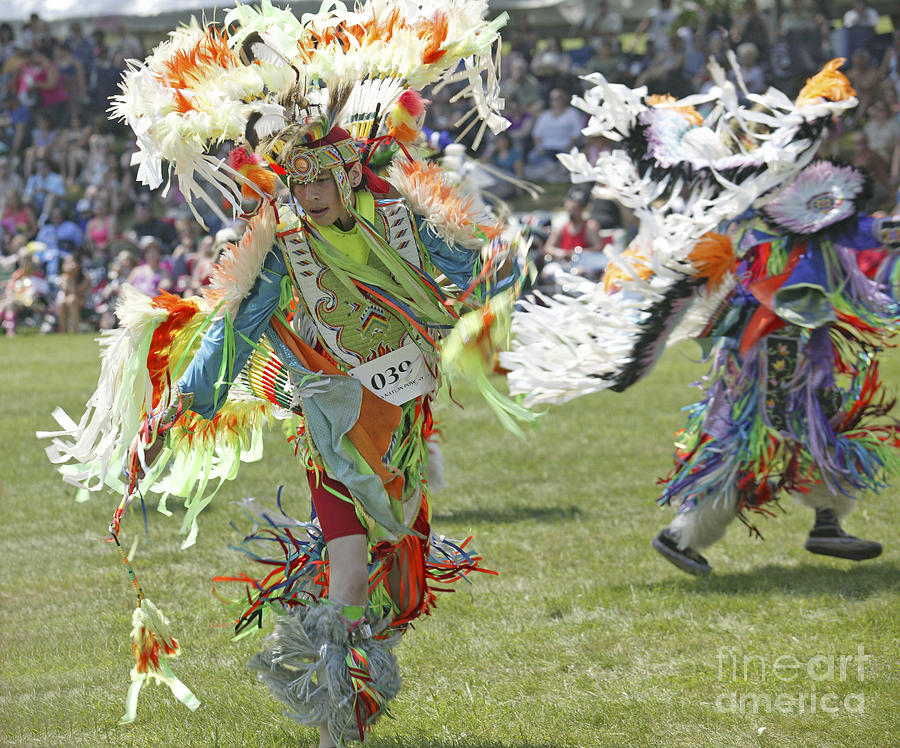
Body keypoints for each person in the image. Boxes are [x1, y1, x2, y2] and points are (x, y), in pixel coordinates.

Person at [40, 2, 529, 746]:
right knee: (353, 575)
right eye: (295, 181)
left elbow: (473, 265)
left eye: (319, 177)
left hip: (398, 426)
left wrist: (494, 266)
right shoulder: (285, 248)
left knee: (396, 578)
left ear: (347, 170)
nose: (307, 191)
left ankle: (352, 679)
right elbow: (237, 325)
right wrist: (180, 404)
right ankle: (339, 721)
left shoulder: (399, 217)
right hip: (332, 423)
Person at [502, 60, 899, 576]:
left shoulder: (810, 204)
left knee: (813, 424)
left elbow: (858, 231)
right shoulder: (741, 212)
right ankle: (683, 534)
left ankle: (824, 521)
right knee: (754, 436)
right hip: (766, 346)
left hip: (803, 344)